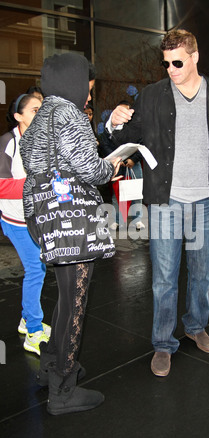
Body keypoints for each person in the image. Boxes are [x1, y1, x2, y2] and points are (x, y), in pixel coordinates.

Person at [106, 29, 209, 377]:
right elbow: (125, 138)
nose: (171, 68)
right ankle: (163, 343)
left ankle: (195, 326)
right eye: (166, 62)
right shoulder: (152, 96)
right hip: (166, 203)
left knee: (201, 273)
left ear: (195, 57)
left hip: (205, 203)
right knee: (164, 278)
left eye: (178, 61)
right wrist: (113, 120)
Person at [20, 52, 121, 415]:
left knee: (64, 298)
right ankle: (63, 390)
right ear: (74, 82)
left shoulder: (39, 118)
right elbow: (90, 169)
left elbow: (35, 170)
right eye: (88, 88)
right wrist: (112, 164)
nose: (89, 97)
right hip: (74, 222)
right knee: (75, 303)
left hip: (44, 219)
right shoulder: (68, 113)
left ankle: (52, 366)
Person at [0, 93, 50, 355]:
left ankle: (25, 319)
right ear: (18, 116)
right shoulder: (8, 143)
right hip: (15, 221)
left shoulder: (40, 140)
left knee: (38, 268)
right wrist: (34, 184)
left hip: (34, 218)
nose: (39, 114)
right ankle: (32, 330)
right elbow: (1, 185)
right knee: (36, 270)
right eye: (34, 110)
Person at [100, 101, 145, 230]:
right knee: (117, 193)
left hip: (132, 165)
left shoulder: (135, 129)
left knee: (136, 192)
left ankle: (138, 219)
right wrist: (117, 159)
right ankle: (118, 220)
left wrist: (133, 159)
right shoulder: (108, 129)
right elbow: (105, 145)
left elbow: (142, 145)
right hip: (117, 166)